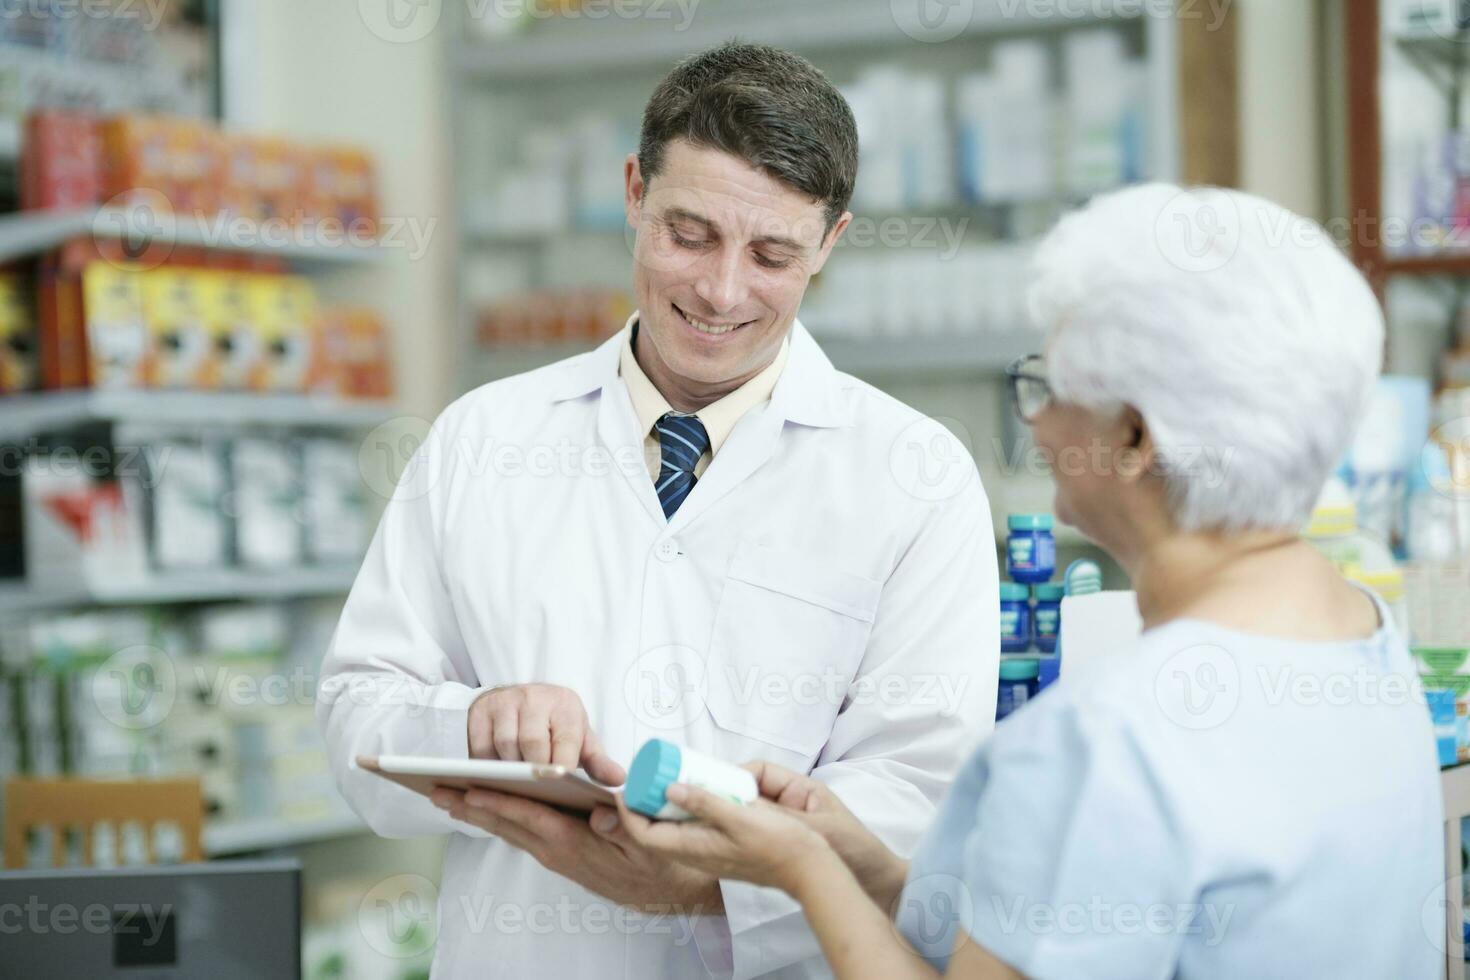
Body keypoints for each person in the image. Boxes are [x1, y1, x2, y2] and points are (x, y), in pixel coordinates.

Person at [566, 184, 1445, 978]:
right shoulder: (1364, 632)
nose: (1039, 423)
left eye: (1049, 387)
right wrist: (863, 862)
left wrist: (795, 868)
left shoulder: (1102, 739)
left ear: (1135, 440)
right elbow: (1082, 929)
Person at [317, 42, 1000, 978]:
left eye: (772, 255)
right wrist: (471, 723)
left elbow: (920, 794)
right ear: (635, 192)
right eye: (690, 233)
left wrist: (707, 885)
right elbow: (358, 719)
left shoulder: (915, 474)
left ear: (832, 243)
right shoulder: (484, 437)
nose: (721, 291)